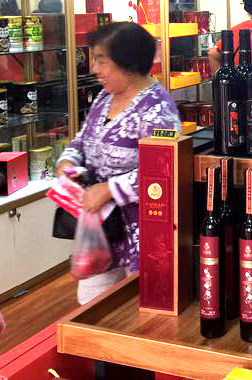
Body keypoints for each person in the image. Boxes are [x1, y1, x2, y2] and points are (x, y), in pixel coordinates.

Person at [56, 22, 181, 304]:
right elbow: (83, 138)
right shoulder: (104, 97)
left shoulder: (158, 109)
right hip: (100, 228)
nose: (94, 69)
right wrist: (68, 160)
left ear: (129, 64)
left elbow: (165, 169)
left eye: (101, 60)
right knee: (90, 303)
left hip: (143, 229)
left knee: (141, 308)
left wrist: (110, 189)